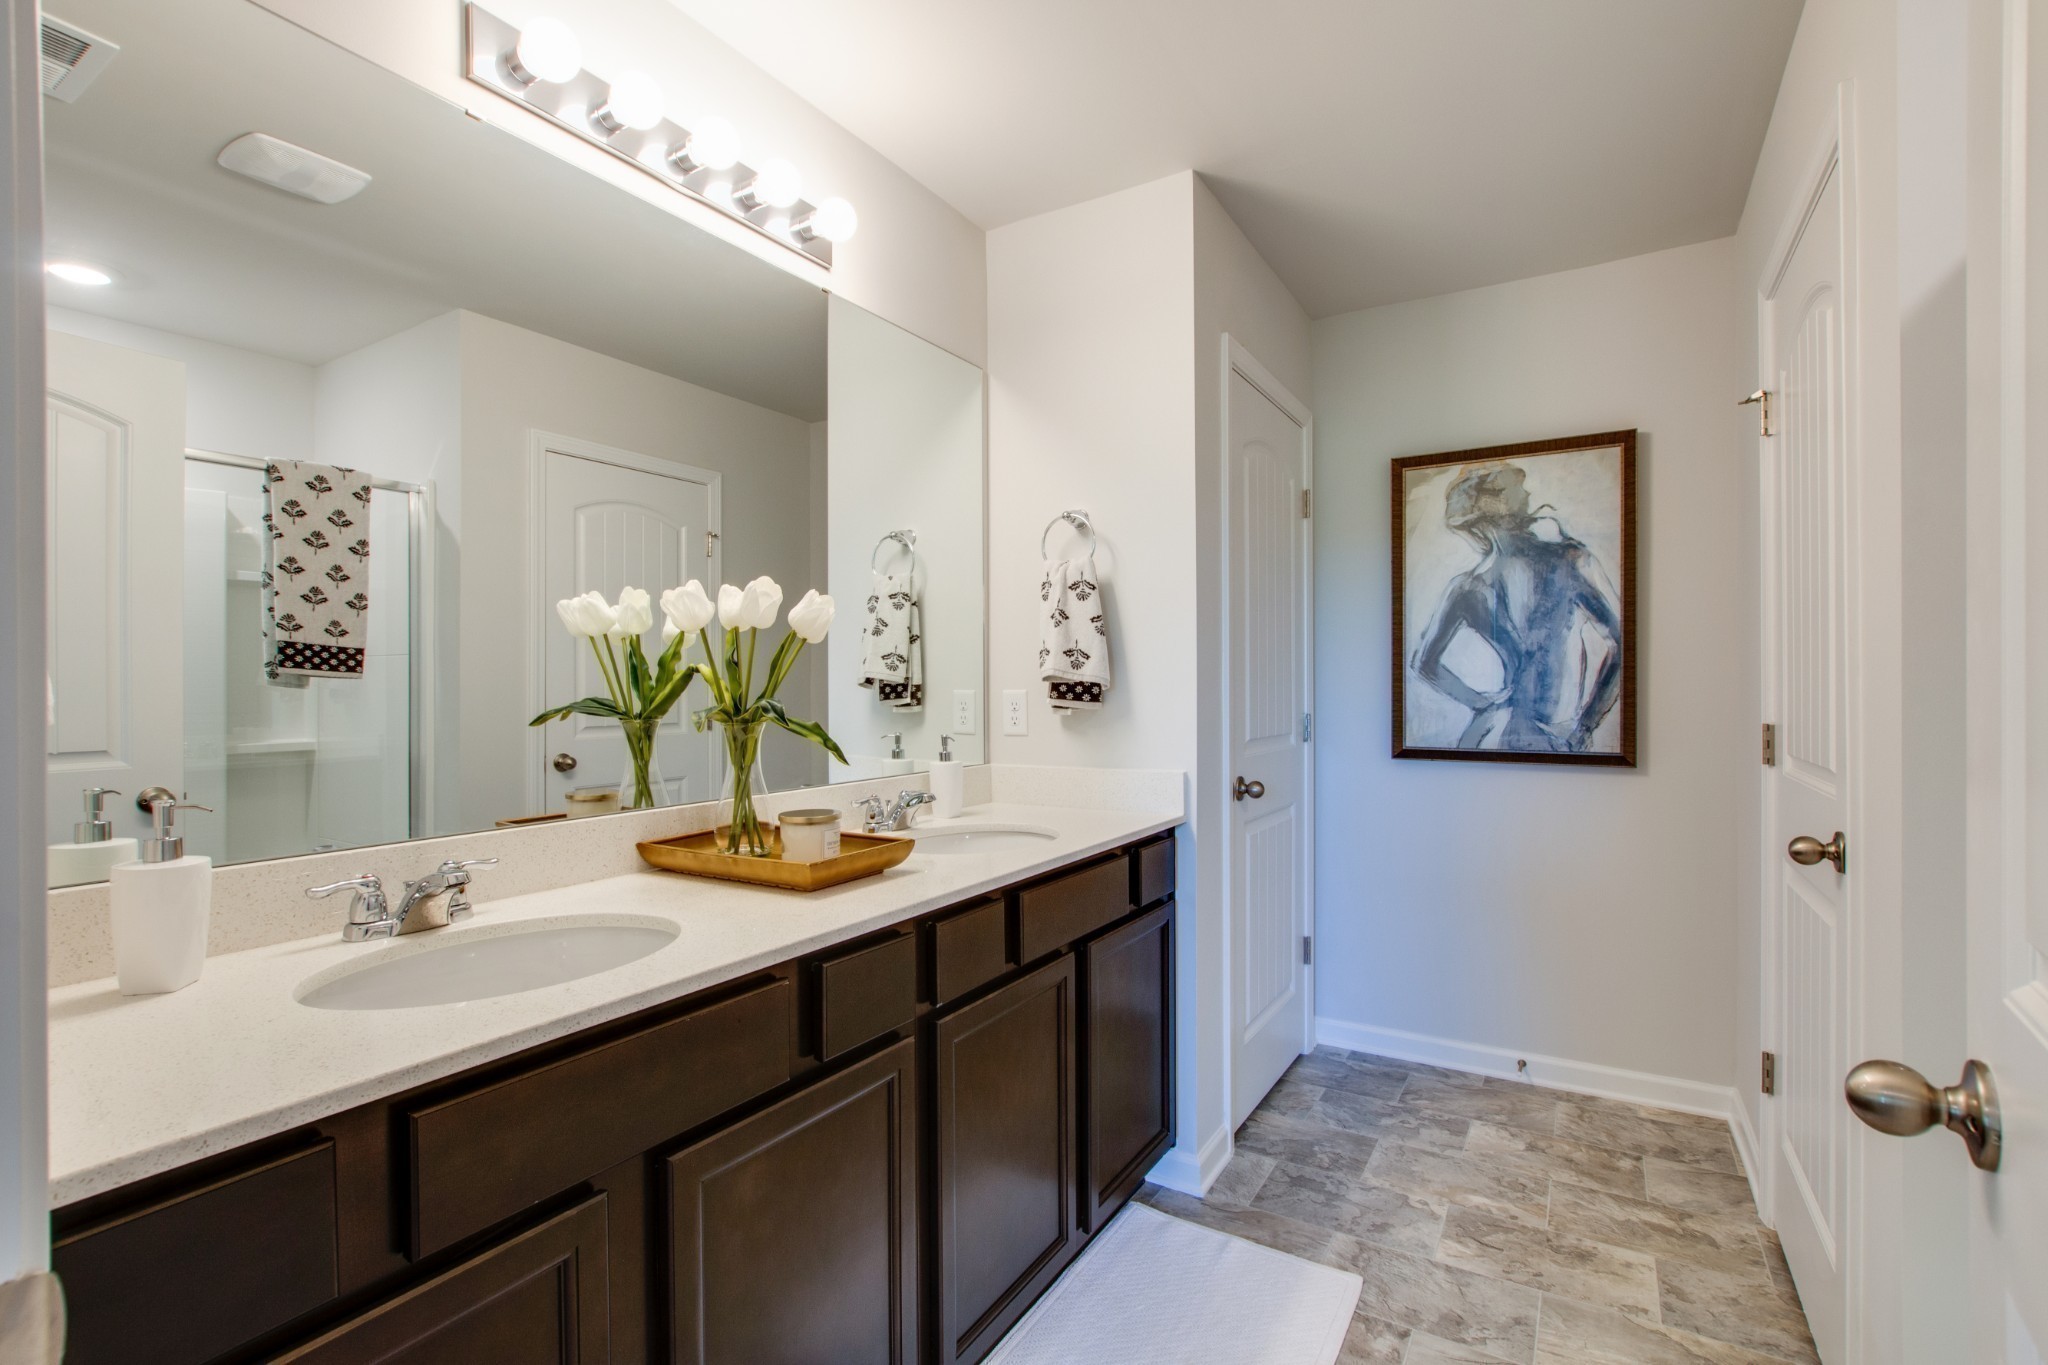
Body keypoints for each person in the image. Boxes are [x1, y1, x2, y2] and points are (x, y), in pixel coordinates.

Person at [1409, 462, 1622, 752]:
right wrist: (1585, 724)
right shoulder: (1569, 561)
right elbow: (1622, 644)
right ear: (1495, 505)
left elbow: (1425, 662)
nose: (1528, 496)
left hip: (1496, 731)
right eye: (1517, 490)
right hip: (1550, 733)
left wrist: (1482, 704)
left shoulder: (1467, 586)